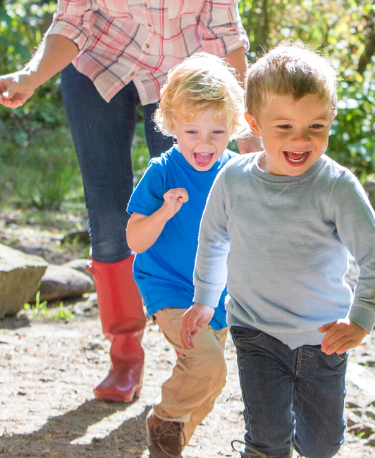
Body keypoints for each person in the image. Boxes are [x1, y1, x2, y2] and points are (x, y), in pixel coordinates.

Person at [0, 0, 293, 402]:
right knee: (110, 212)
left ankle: (187, 344)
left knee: (191, 212)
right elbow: (72, 18)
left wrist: (245, 120)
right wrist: (32, 75)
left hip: (181, 82)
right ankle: (124, 350)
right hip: (97, 68)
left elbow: (227, 32)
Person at [183, 45, 375, 458]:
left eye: (316, 126)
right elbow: (213, 241)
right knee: (267, 440)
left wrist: (361, 320)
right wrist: (206, 299)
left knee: (323, 443)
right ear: (254, 124)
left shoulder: (336, 186)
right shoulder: (234, 180)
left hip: (324, 338)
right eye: (285, 127)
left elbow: (374, 259)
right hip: (255, 332)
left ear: (331, 118)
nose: (301, 139)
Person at [127, 53, 244, 458]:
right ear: (171, 124)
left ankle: (167, 439)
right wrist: (163, 211)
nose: (205, 143)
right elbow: (135, 240)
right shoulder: (161, 172)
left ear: (234, 126)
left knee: (210, 384)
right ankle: (164, 419)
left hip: (218, 296)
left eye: (218, 130)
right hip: (170, 288)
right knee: (209, 367)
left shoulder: (238, 173)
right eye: (192, 130)